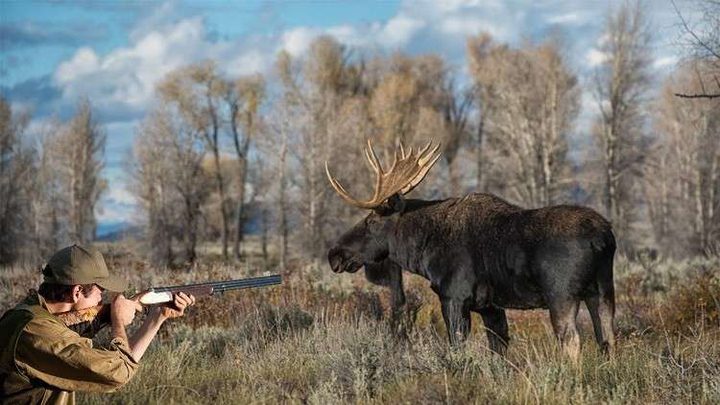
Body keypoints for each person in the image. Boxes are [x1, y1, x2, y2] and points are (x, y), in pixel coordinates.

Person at [0, 244, 195, 404]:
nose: (102, 299)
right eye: (100, 291)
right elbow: (118, 373)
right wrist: (117, 320)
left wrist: (157, 317)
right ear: (77, 292)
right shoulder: (38, 332)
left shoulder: (28, 313)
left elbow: (124, 363)